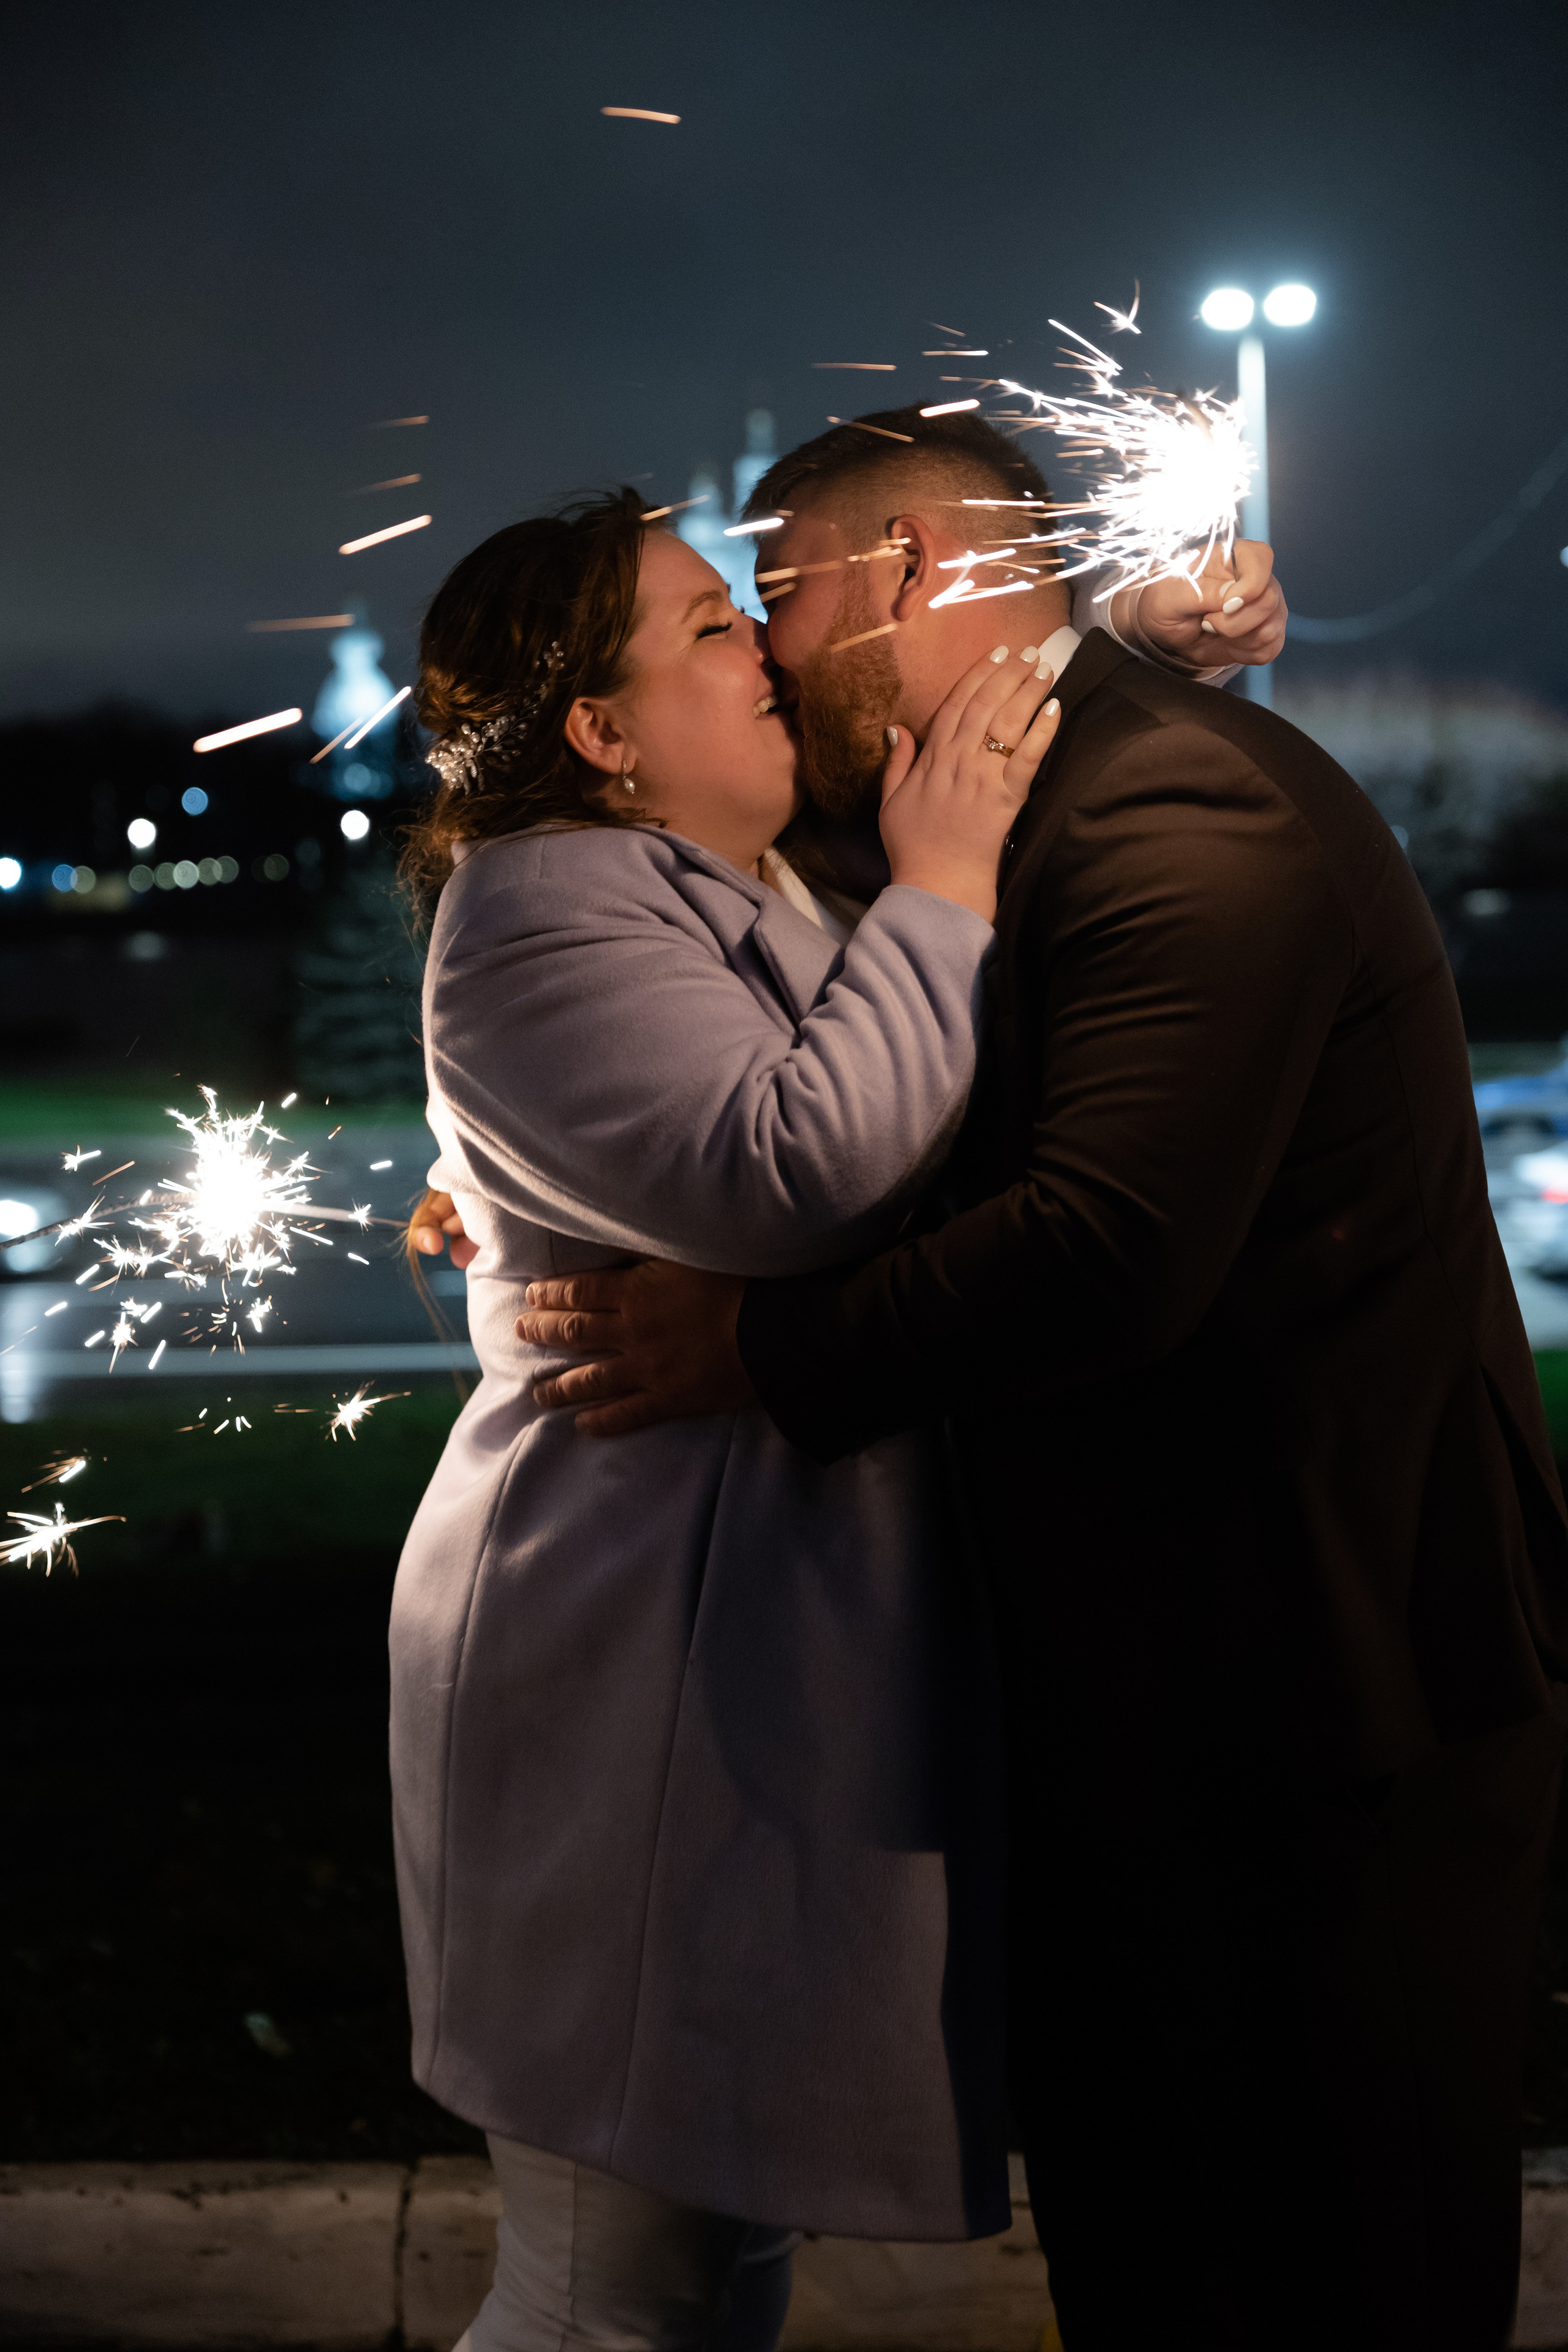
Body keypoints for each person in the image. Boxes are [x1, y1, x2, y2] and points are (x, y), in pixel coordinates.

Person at [508, 410, 1568, 2352]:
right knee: (1157, 2270)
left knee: (1326, 2279)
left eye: (788, 583)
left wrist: (753, 1347)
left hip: (1327, 1711)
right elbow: (748, 927)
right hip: (1148, 1703)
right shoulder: (971, 796)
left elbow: (1106, 1250)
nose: (761, 628)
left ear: (910, 572)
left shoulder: (1182, 816)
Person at [396, 471, 1285, 2352]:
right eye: (715, 629)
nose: (770, 657)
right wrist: (952, 883)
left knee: (707, 2270)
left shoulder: (749, 877)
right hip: (630, 1659)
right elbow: (795, 1167)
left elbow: (871, 939)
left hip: (729, 1669)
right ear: (601, 734)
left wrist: (1107, 642)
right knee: (606, 2292)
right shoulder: (545, 906)